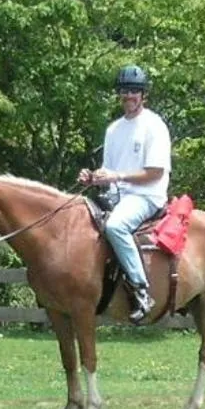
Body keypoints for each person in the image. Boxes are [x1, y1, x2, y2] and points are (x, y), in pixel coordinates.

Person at [78, 63, 171, 324]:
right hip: (117, 196)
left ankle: (141, 290)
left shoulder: (154, 125)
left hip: (147, 196)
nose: (129, 95)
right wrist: (93, 177)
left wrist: (116, 177)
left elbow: (155, 173)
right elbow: (109, 171)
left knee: (116, 226)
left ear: (143, 94)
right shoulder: (114, 129)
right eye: (124, 90)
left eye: (134, 91)